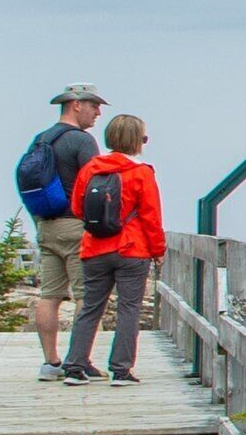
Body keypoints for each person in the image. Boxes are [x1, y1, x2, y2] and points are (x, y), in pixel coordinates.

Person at [61, 114, 167, 384]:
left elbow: (76, 208)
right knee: (128, 309)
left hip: (94, 248)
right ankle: (121, 369)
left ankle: (75, 365)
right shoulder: (142, 173)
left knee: (90, 307)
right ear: (138, 141)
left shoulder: (90, 169)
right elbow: (151, 217)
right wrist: (158, 250)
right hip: (132, 249)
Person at [19, 86, 106, 379]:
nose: (98, 112)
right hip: (75, 226)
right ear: (76, 104)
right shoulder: (82, 141)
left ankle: (50, 362)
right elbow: (97, 187)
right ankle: (79, 360)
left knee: (50, 295)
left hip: (46, 225)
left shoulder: (41, 139)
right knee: (87, 295)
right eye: (94, 105)